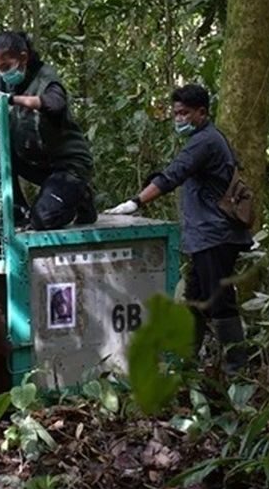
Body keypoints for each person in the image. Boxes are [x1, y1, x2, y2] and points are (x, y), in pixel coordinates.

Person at [104, 84, 253, 373]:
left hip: (215, 236)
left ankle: (238, 371)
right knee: (195, 300)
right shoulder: (205, 138)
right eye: (175, 113)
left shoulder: (205, 141)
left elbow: (174, 174)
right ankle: (188, 364)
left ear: (202, 112)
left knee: (220, 302)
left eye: (184, 113)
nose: (178, 119)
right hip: (205, 237)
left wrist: (135, 203)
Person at [0, 31, 97, 230]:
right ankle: (19, 210)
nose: (3, 73)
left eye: (6, 67)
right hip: (34, 162)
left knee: (43, 219)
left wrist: (11, 99)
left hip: (67, 166)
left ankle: (80, 196)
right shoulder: (4, 80)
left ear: (23, 57)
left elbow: (55, 104)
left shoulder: (45, 78)